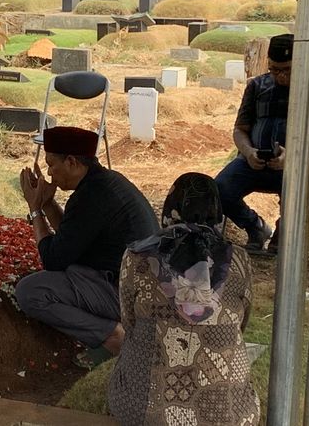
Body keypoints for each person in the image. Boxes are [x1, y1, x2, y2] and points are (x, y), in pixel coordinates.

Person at [108, 172, 260, 425]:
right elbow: (241, 324)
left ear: (170, 209)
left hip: (142, 411)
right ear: (217, 213)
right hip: (227, 416)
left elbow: (130, 322)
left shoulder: (136, 256)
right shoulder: (239, 260)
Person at [15, 126, 159, 365]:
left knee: (30, 292)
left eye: (52, 165)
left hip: (128, 296)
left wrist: (35, 209)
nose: (49, 173)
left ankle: (112, 335)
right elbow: (70, 240)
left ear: (71, 161)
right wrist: (49, 204)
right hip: (138, 289)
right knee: (63, 273)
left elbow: (52, 259)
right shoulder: (104, 183)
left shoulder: (93, 196)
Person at [215, 34, 309, 254]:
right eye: (274, 69)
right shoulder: (256, 86)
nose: (280, 76)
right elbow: (240, 129)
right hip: (252, 162)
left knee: (301, 192)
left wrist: (294, 157)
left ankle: (283, 232)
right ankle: (255, 226)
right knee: (219, 189)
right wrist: (248, 152)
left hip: (297, 164)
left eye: (287, 70)